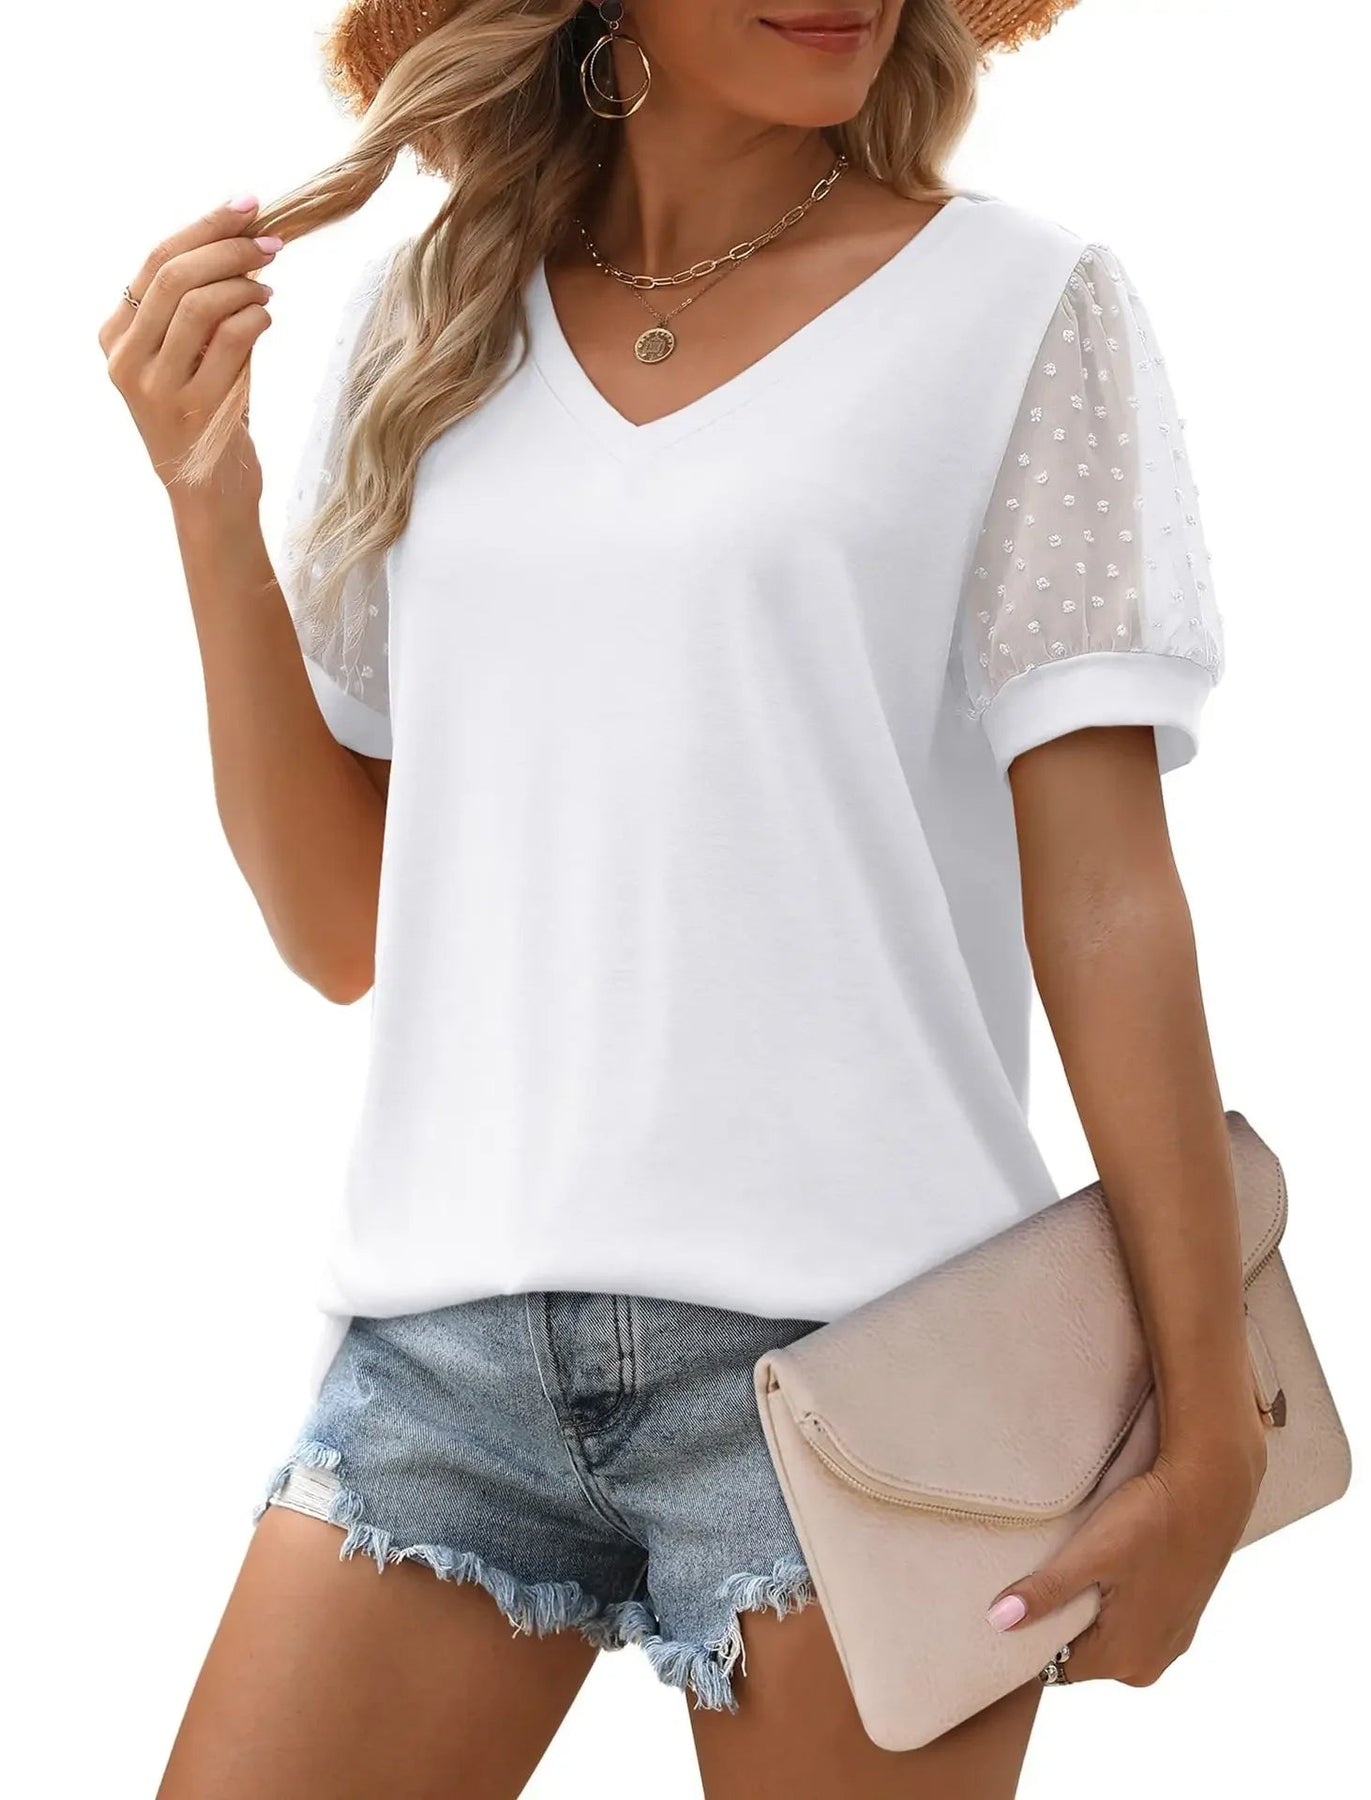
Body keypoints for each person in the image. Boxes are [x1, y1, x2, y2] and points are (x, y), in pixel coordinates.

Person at [100, 3, 1269, 1794]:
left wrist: (1211, 1416)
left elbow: (1108, 903)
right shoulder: (431, 322)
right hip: (447, 1356)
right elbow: (341, 928)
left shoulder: (1021, 308)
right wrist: (210, 506)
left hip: (877, 1372)